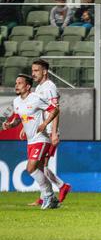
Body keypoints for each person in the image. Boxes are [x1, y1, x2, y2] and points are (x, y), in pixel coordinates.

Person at [1, 74, 60, 209]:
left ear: (28, 86)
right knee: (39, 169)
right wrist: (10, 125)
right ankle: (52, 199)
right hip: (30, 141)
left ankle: (48, 196)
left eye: (20, 83)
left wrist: (45, 124)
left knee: (30, 168)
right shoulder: (16, 102)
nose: (16, 85)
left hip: (41, 138)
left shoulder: (36, 98)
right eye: (16, 83)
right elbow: (18, 119)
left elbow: (54, 109)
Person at [28, 60, 72, 206]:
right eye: (32, 70)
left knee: (41, 166)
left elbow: (56, 110)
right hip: (42, 132)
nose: (33, 74)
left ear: (44, 71)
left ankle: (54, 191)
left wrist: (54, 133)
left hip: (47, 132)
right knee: (41, 166)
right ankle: (57, 189)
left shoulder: (50, 87)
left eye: (36, 71)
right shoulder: (40, 87)